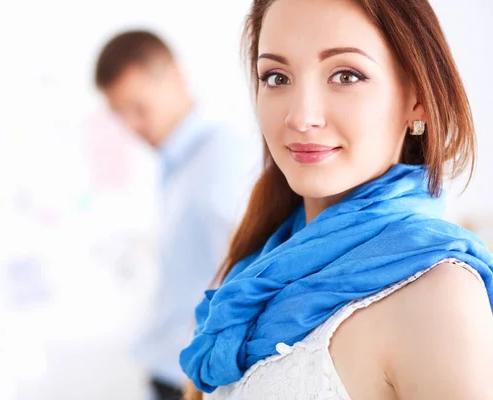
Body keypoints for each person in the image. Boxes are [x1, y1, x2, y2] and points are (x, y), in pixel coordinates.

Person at [180, 0, 493, 399]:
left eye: (345, 75)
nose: (300, 116)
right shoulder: (253, 275)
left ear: (416, 97)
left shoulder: (439, 294)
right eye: (276, 77)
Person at [94, 31, 259, 399]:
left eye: (138, 107)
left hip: (192, 383)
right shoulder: (177, 165)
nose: (132, 126)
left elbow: (246, 281)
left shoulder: (223, 160)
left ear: (176, 77)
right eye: (120, 114)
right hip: (169, 370)